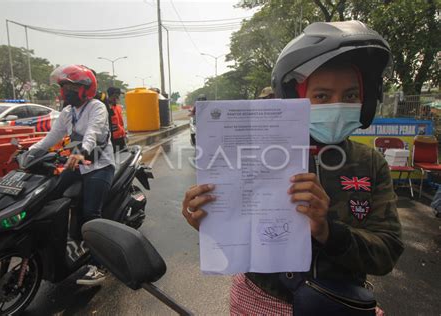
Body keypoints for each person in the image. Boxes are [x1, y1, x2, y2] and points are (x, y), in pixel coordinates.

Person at [181, 21, 404, 315]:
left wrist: (328, 231)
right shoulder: (252, 155)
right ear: (294, 99)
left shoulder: (370, 163)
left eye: (350, 96)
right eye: (322, 96)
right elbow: (235, 237)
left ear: (365, 102)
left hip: (338, 304)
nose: (338, 105)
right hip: (260, 300)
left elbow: (387, 250)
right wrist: (210, 221)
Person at [29, 64, 115, 285]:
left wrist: (82, 152)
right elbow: (52, 137)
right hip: (75, 165)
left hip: (99, 166)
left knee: (90, 213)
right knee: (48, 195)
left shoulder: (97, 107)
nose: (65, 91)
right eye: (63, 86)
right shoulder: (67, 112)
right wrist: (28, 152)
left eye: (70, 86)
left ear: (85, 88)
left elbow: (93, 133)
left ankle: (99, 265)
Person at [107, 87, 127, 151]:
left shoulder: (117, 107)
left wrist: (124, 134)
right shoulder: (106, 107)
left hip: (121, 138)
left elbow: (120, 123)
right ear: (114, 95)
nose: (119, 97)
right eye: (118, 95)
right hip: (113, 140)